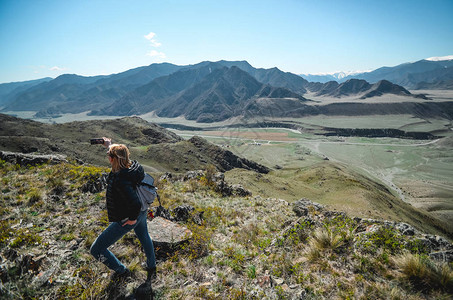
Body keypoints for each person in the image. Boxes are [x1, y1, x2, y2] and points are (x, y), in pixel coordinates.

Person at [90, 138, 156, 286]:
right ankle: (152, 265)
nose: (108, 157)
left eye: (109, 155)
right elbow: (121, 154)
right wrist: (109, 145)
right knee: (144, 236)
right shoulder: (133, 167)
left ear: (112, 159)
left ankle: (122, 271)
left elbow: (135, 203)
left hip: (129, 217)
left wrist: (132, 219)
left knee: (96, 249)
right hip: (143, 211)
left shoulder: (120, 178)